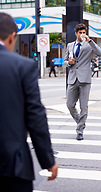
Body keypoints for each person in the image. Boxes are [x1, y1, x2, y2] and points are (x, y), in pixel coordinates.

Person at [0, 12, 58, 192]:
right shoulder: (22, 66)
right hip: (11, 165)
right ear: (12, 37)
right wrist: (48, 160)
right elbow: (35, 116)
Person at [64, 23, 101, 140]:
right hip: (72, 78)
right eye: (80, 33)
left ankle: (80, 130)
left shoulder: (89, 45)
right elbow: (65, 61)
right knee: (70, 105)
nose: (82, 34)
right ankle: (80, 122)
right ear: (76, 33)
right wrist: (68, 63)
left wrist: (90, 40)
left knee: (83, 107)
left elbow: (100, 53)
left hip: (85, 79)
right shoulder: (70, 45)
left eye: (84, 32)